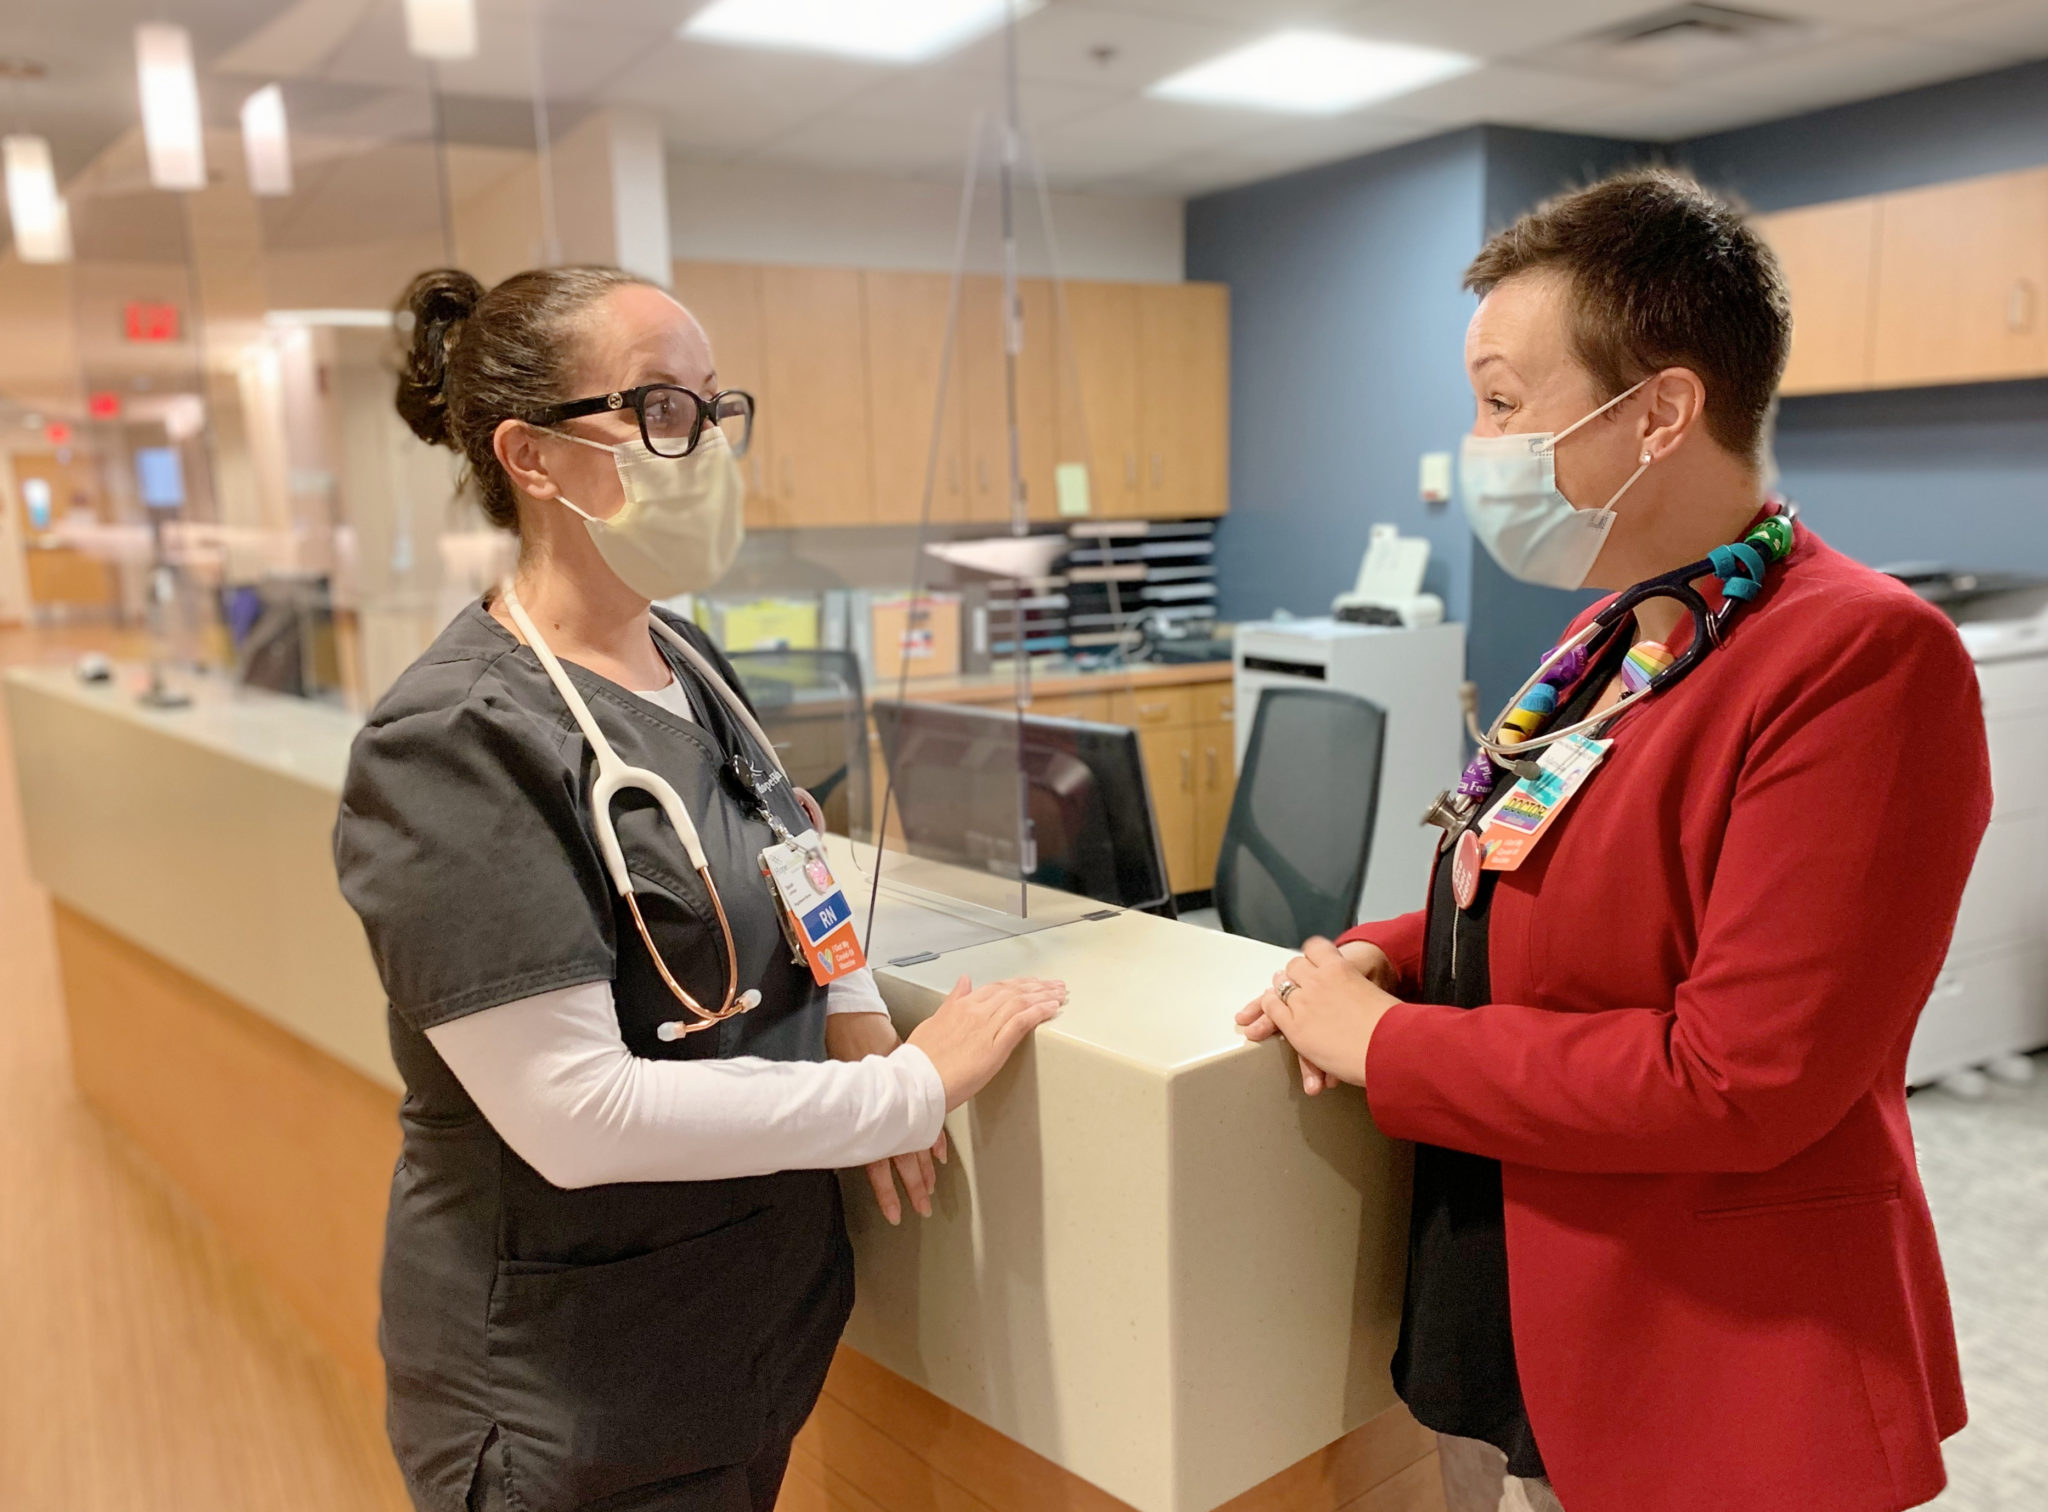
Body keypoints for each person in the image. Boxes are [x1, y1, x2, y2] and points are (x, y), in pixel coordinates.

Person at [1239, 170, 1991, 1512]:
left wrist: (1391, 1045)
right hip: (1517, 1305)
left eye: (1504, 403)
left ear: (1659, 413)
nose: (1476, 443)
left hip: (1721, 1360)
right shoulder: (1625, 631)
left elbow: (1742, 1076)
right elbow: (1543, 899)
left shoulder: (1864, 657)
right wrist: (1375, 956)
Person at [335, 264, 1065, 1512]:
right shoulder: (455, 741)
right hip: (570, 1387)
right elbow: (575, 1113)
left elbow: (785, 833)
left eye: (715, 409)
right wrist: (907, 1090)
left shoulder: (679, 651)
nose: (705, 445)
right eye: (660, 409)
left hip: (733, 1330)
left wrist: (846, 993)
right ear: (533, 456)